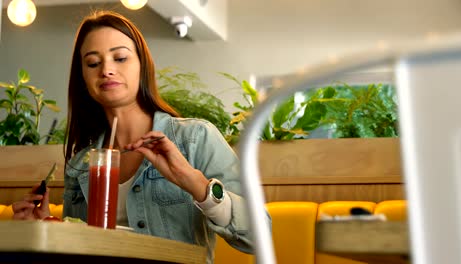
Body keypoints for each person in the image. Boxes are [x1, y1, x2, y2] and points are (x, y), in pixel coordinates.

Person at [12, 10, 270, 263]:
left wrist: (196, 184)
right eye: (93, 63)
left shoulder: (194, 138)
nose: (106, 70)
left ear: (142, 65)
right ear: (83, 76)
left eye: (120, 58)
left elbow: (260, 235)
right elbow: (83, 247)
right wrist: (46, 225)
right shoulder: (81, 164)